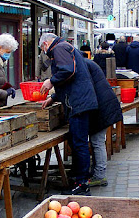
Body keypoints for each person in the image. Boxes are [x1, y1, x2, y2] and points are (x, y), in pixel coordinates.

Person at [39, 33, 98, 196]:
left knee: (79, 142)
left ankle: (82, 183)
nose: (44, 52)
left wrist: (51, 81)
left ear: (45, 44)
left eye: (42, 48)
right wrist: (54, 97)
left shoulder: (59, 48)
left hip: (78, 102)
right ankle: (78, 177)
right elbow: (70, 78)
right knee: (75, 139)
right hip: (80, 100)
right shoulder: (65, 47)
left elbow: (67, 70)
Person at [84, 58, 123, 188]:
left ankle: (99, 175)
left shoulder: (83, 66)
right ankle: (97, 172)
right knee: (97, 141)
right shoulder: (87, 63)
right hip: (104, 105)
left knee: (97, 141)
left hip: (102, 107)